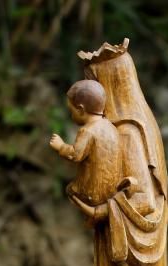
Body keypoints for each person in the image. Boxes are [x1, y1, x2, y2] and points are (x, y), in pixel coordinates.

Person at [49, 79, 123, 208]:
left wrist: (60, 146)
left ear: (81, 109)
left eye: (71, 111)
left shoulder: (87, 131)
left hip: (94, 193)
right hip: (113, 189)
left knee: (70, 190)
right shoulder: (110, 126)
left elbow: (75, 155)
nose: (71, 116)